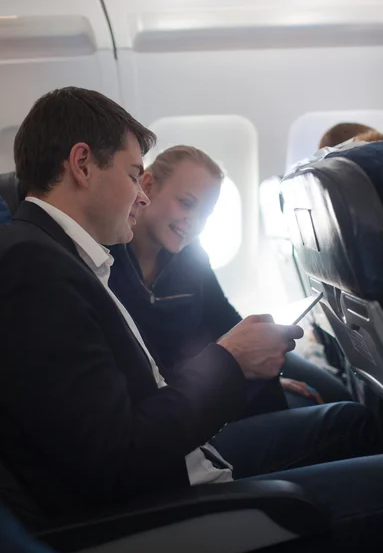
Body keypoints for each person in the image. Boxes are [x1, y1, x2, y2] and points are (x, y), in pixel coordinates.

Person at [2, 87, 383, 553]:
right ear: (82, 164)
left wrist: (239, 364)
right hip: (163, 516)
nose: (141, 194)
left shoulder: (61, 255)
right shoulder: (33, 268)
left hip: (179, 468)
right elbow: (114, 459)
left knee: (353, 424)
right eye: (135, 175)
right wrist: (230, 362)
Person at [109, 145, 351, 408]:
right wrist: (240, 378)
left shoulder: (191, 255)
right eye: (186, 203)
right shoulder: (109, 264)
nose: (194, 221)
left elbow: (224, 319)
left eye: (205, 214)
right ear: (148, 184)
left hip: (216, 367)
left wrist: (262, 353)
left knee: (334, 392)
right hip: (191, 390)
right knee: (343, 415)